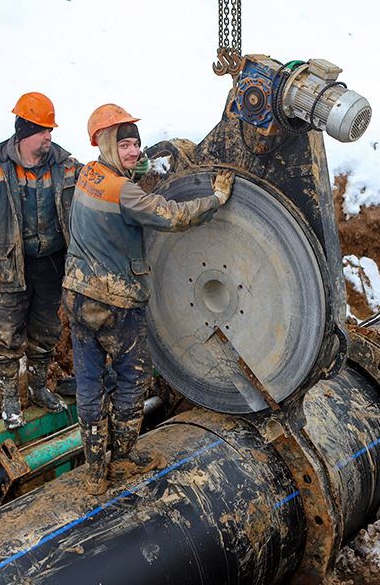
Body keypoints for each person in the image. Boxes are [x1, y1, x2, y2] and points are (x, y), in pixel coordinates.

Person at [63, 103, 234, 495]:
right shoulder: (124, 192)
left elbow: (119, 182)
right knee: (135, 375)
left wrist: (132, 169)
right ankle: (121, 457)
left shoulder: (89, 173)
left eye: (136, 146)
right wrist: (217, 198)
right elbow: (172, 215)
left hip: (76, 294)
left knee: (89, 383)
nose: (134, 153)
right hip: (114, 302)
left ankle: (94, 472)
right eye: (124, 146)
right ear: (107, 144)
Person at [0, 92, 81, 430]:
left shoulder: (65, 165)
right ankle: (11, 399)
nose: (49, 137)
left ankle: (38, 387)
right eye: (43, 130)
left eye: (50, 131)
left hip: (52, 264)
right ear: (25, 132)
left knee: (46, 330)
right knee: (9, 334)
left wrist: (128, 170)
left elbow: (101, 184)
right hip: (10, 264)